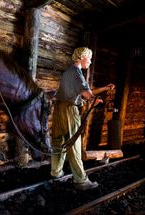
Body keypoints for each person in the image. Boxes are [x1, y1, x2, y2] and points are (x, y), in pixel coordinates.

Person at [50, 47, 115, 190]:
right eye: (89, 58)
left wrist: (104, 89)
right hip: (69, 110)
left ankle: (56, 172)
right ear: (81, 57)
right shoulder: (77, 73)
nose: (90, 62)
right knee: (73, 143)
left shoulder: (69, 72)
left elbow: (85, 91)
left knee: (58, 140)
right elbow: (86, 93)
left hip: (59, 108)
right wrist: (92, 99)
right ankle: (81, 180)